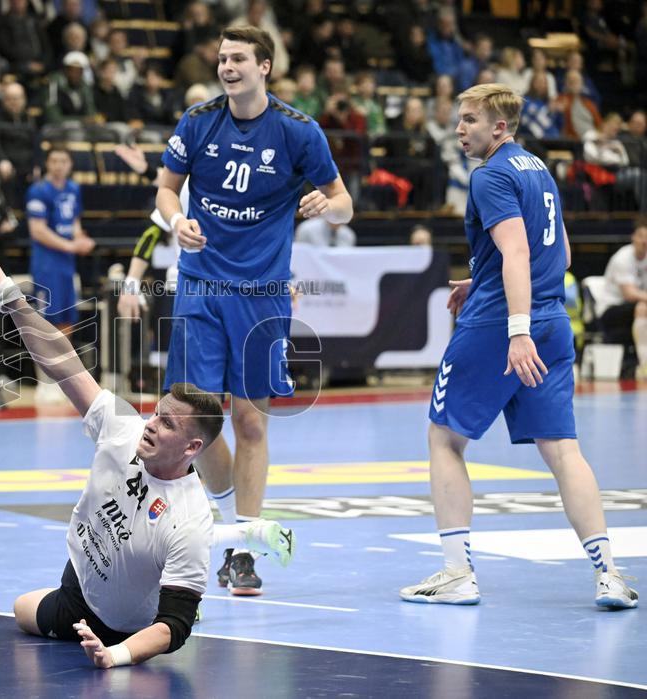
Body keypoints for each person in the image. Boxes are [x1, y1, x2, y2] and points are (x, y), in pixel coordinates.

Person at [0, 241, 295, 669]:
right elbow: (64, 363)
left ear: (194, 448)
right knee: (21, 606)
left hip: (117, 625)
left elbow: (173, 628)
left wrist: (115, 654)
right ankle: (227, 547)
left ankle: (195, 577)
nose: (152, 424)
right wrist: (7, 295)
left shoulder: (190, 517)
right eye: (157, 413)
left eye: (168, 424)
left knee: (171, 553)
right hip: (78, 578)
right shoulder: (124, 428)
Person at [400, 83, 638, 609]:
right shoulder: (538, 167)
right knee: (563, 450)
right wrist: (481, 278)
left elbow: (516, 250)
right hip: (553, 318)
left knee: (444, 438)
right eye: (459, 119)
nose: (459, 129)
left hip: (500, 326)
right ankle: (609, 575)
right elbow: (562, 252)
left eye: (469, 120)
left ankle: (457, 573)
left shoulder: (488, 175)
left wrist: (515, 327)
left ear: (499, 128)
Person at [155, 26, 352, 595]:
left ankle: (242, 549)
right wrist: (177, 220)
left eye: (239, 58)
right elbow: (166, 190)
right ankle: (223, 513)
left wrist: (326, 205)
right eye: (222, 58)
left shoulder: (298, 131)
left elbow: (343, 203)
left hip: (262, 295)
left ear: (265, 66)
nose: (228, 66)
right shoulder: (197, 121)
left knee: (250, 420)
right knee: (190, 415)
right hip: (200, 285)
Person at [25, 146, 96, 402]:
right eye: (54, 160)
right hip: (47, 265)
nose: (58, 165)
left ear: (70, 164)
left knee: (68, 321)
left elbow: (74, 222)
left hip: (67, 265)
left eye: (63, 160)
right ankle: (45, 381)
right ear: (47, 164)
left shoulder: (73, 189)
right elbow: (38, 231)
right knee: (46, 324)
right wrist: (72, 245)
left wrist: (80, 239)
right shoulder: (38, 191)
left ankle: (62, 378)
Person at [597, 219, 647, 377]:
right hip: (610, 311)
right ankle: (644, 364)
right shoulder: (623, 258)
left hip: (633, 310)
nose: (645, 241)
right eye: (641, 236)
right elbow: (630, 294)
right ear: (633, 237)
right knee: (642, 306)